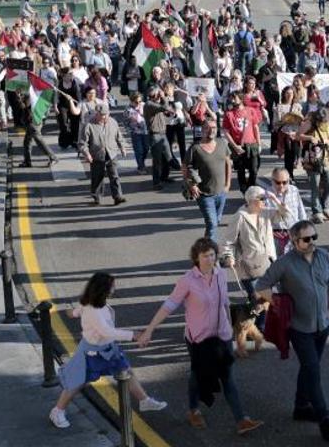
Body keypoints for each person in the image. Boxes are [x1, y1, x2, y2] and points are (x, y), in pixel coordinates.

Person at [138, 239, 264, 436]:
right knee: (197, 376)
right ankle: (193, 410)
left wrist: (230, 327)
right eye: (205, 255)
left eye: (213, 254)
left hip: (222, 335)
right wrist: (149, 329)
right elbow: (169, 305)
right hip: (199, 339)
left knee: (228, 378)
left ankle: (242, 420)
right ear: (196, 258)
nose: (210, 259)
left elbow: (224, 302)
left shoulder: (221, 273)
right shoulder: (188, 280)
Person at [255, 220, 329, 442]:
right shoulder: (284, 263)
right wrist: (277, 302)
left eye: (314, 237)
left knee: (310, 367)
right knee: (312, 370)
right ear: (294, 241)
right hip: (300, 328)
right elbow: (261, 286)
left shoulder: (323, 256)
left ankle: (300, 407)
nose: (312, 242)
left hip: (322, 324)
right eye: (306, 239)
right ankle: (324, 418)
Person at [49, 272, 167, 429]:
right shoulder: (94, 309)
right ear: (103, 289)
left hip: (108, 349)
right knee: (76, 382)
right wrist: (134, 336)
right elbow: (106, 331)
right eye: (112, 286)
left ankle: (144, 400)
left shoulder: (94, 303)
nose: (114, 288)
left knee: (126, 371)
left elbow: (78, 311)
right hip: (92, 354)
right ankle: (57, 411)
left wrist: (72, 313)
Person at [220, 185, 278, 343]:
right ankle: (257, 328)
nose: (265, 202)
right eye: (262, 199)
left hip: (267, 263)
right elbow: (227, 241)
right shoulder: (240, 216)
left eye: (265, 199)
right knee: (257, 296)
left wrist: (275, 199)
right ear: (252, 201)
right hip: (247, 266)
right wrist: (228, 256)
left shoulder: (266, 212)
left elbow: (286, 216)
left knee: (264, 298)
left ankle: (258, 327)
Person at [184, 117, 232, 241]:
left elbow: (228, 163)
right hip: (204, 194)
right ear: (202, 130)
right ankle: (211, 254)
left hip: (221, 192)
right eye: (207, 128)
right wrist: (191, 185)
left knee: (216, 221)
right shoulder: (195, 148)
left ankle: (206, 248)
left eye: (214, 127)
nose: (211, 130)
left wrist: (227, 184)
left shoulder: (222, 143)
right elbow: (185, 167)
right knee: (212, 223)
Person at [79, 104, 127, 205]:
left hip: (111, 153)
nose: (104, 117)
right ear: (96, 114)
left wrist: (122, 147)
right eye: (101, 115)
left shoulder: (113, 122)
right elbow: (83, 143)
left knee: (114, 176)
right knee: (97, 177)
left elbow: (119, 136)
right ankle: (97, 197)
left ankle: (118, 196)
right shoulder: (89, 125)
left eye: (106, 114)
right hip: (96, 155)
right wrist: (87, 154)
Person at [223, 91, 262, 193]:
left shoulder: (250, 110)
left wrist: (259, 143)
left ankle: (251, 188)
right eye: (231, 98)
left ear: (241, 99)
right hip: (238, 145)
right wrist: (235, 146)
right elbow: (226, 132)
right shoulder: (229, 114)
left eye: (234, 98)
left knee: (254, 169)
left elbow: (255, 127)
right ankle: (244, 189)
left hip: (252, 144)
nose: (232, 100)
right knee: (241, 170)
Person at [266, 167, 308, 256]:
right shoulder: (267, 195)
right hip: (276, 236)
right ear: (272, 181)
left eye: (285, 182)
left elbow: (301, 211)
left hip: (294, 235)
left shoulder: (294, 190)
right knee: (277, 266)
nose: (281, 185)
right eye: (278, 182)